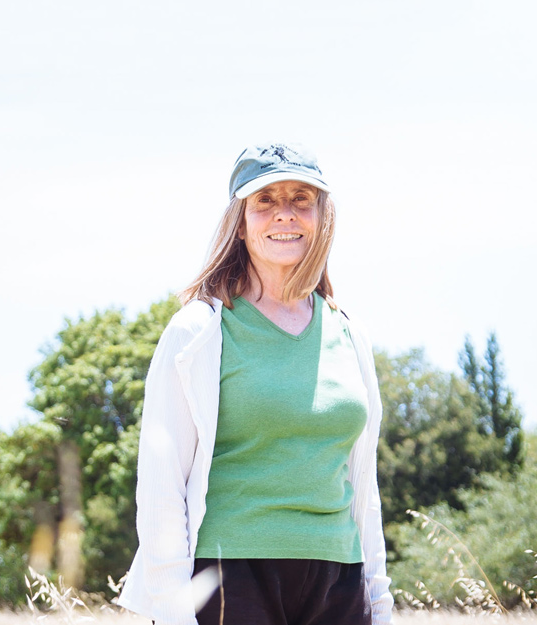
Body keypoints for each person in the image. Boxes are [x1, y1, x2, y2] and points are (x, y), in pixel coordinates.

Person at [116, 142, 393, 625]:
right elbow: (161, 490)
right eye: (265, 200)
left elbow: (363, 491)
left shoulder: (350, 336)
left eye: (301, 199)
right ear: (240, 223)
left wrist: (379, 602)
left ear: (321, 216)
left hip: (339, 579)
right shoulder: (197, 333)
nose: (284, 214)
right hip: (230, 576)